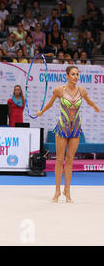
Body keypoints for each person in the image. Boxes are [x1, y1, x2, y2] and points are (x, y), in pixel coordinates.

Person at [36, 66, 100, 203]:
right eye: (73, 74)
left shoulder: (82, 91)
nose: (76, 76)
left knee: (70, 160)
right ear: (67, 76)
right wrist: (41, 112)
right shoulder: (59, 90)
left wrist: (95, 107)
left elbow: (89, 102)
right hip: (62, 128)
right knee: (60, 160)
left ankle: (68, 190)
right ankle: (57, 190)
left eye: (77, 74)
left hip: (75, 128)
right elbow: (50, 104)